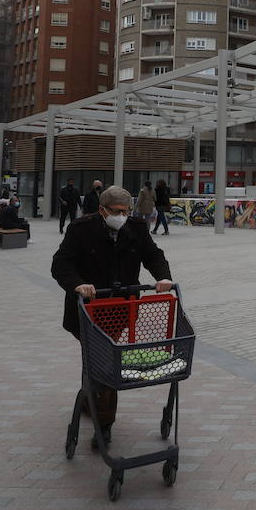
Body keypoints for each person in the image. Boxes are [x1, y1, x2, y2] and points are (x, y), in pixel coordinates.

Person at [50, 186, 173, 450]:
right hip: (88, 310)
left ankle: (91, 402)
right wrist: (78, 284)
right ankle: (103, 424)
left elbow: (153, 255)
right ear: (102, 209)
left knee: (101, 360)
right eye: (117, 211)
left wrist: (162, 276)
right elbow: (61, 264)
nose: (122, 216)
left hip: (121, 309)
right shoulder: (81, 229)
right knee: (103, 361)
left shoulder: (136, 229)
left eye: (126, 211)